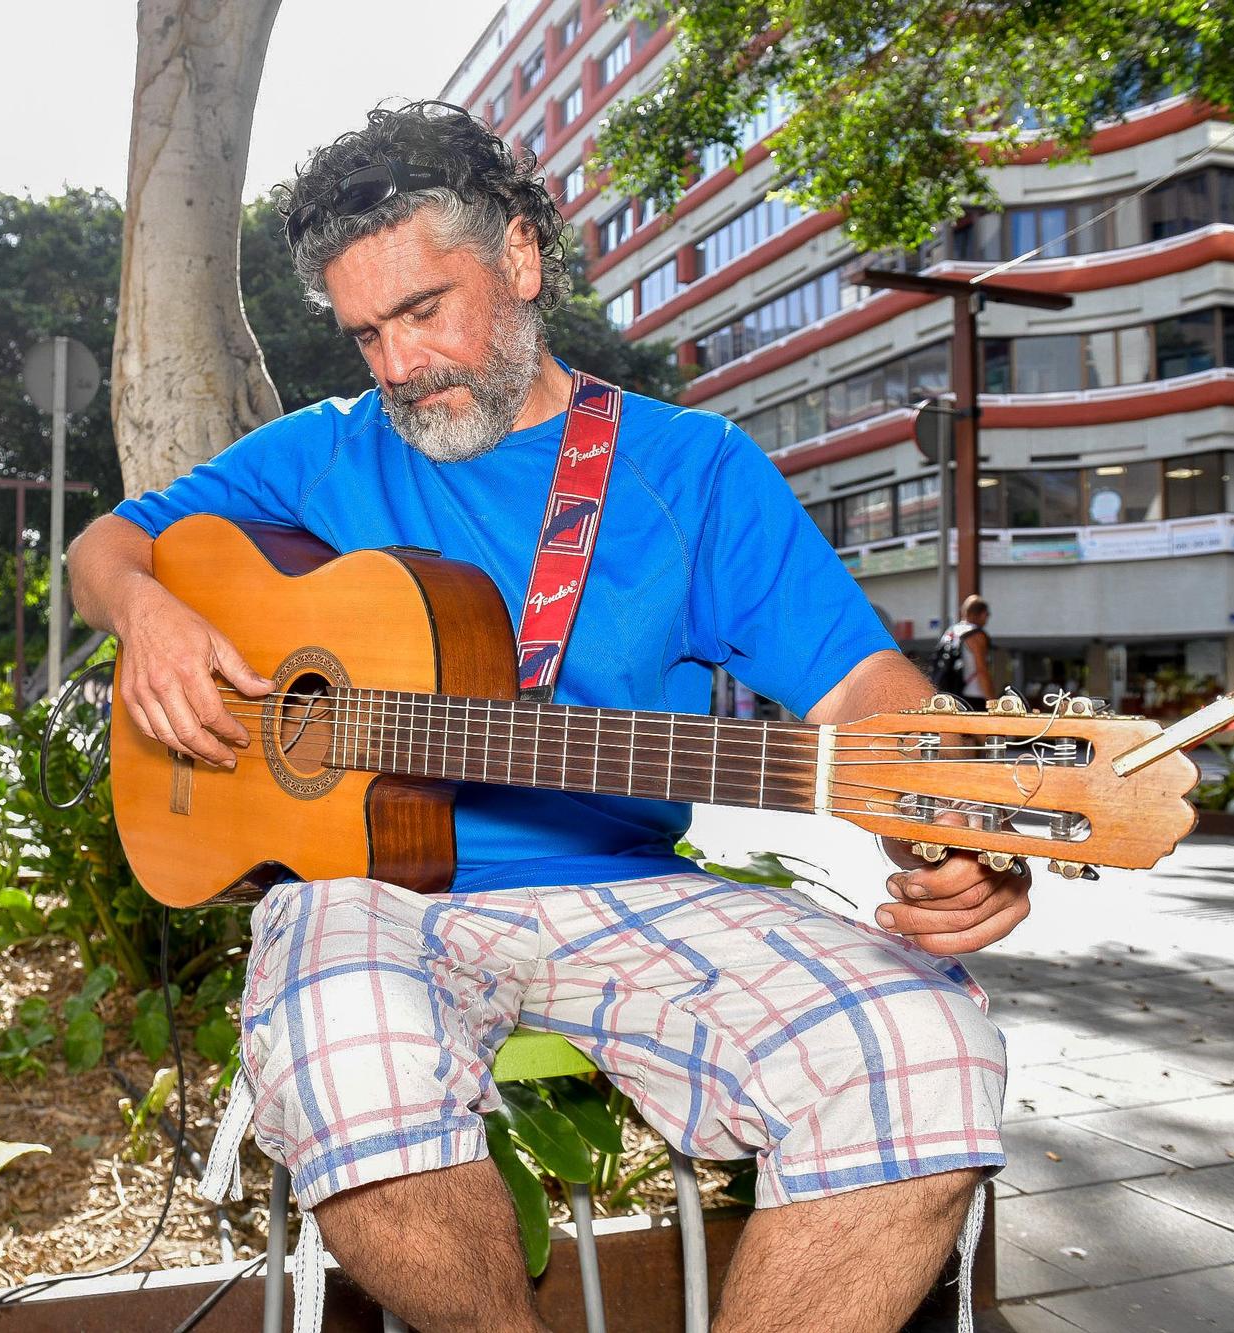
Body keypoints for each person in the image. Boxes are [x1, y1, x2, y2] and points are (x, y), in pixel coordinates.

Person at [69, 102, 1028, 1333]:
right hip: (368, 896)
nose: (398, 365)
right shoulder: (318, 452)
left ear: (519, 258)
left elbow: (857, 688)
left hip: (631, 893)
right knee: (346, 1044)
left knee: (923, 1042)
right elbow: (103, 547)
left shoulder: (691, 469)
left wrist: (945, 819)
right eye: (366, 333)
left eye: (423, 311)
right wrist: (143, 614)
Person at [933, 595, 995, 710]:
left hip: (950, 696)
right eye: (987, 615)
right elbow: (981, 670)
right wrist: (992, 701)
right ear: (982, 614)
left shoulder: (950, 632)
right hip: (973, 697)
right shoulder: (976, 635)